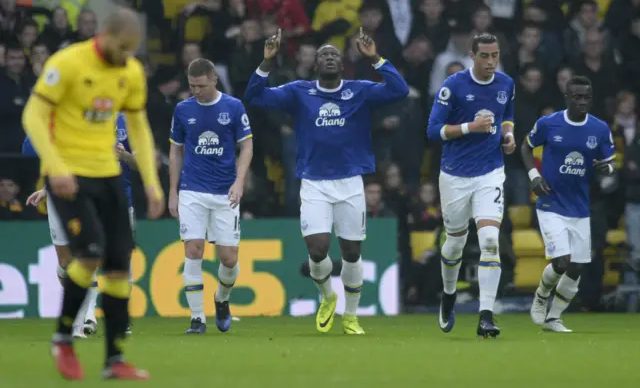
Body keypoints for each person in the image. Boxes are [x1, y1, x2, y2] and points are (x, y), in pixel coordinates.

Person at [21, 8, 164, 380]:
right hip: (69, 174)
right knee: (89, 253)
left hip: (109, 174)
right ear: (105, 34)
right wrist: (54, 166)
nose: (127, 55)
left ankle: (114, 359)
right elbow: (33, 117)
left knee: (118, 266)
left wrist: (151, 181)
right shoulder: (67, 63)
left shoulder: (130, 71)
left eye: (133, 49)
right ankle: (63, 339)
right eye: (123, 47)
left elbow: (140, 127)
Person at [244, 28, 409, 335]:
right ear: (315, 65)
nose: (330, 58)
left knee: (351, 253)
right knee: (318, 249)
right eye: (324, 55)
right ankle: (327, 297)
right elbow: (254, 96)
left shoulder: (359, 90)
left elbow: (399, 89)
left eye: (335, 54)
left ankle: (351, 316)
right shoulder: (298, 91)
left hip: (350, 181)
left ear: (342, 64)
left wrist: (374, 57)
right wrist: (266, 62)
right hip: (314, 182)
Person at [426, 33, 516, 338]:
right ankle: (448, 294)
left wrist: (508, 136)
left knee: (490, 240)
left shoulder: (506, 83)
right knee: (455, 243)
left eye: (495, 55)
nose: (491, 62)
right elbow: (432, 130)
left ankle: (486, 316)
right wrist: (469, 128)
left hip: (490, 172)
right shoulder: (453, 86)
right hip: (455, 174)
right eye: (485, 56)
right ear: (472, 55)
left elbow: (508, 117)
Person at [25, 112, 137, 339]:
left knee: (105, 256)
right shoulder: (72, 117)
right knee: (68, 262)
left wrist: (124, 156)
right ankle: (86, 315)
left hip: (112, 198)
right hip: (67, 194)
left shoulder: (125, 120)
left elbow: (144, 162)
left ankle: (90, 317)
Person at [521, 76, 615, 332]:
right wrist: (534, 176)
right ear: (567, 98)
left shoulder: (599, 129)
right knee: (562, 261)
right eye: (577, 97)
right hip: (551, 203)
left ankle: (554, 318)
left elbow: (609, 163)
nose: (582, 102)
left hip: (580, 207)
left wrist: (606, 169)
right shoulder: (549, 124)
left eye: (586, 97)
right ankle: (541, 295)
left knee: (576, 267)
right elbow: (525, 148)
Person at [168, 58, 253, 335]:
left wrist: (239, 182)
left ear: (214, 80)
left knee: (228, 259)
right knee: (193, 250)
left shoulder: (233, 107)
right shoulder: (182, 110)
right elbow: (176, 151)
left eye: (201, 85)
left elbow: (247, 146)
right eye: (192, 85)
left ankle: (222, 299)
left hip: (225, 191)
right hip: (192, 190)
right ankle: (196, 318)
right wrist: (173, 191)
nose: (196, 91)